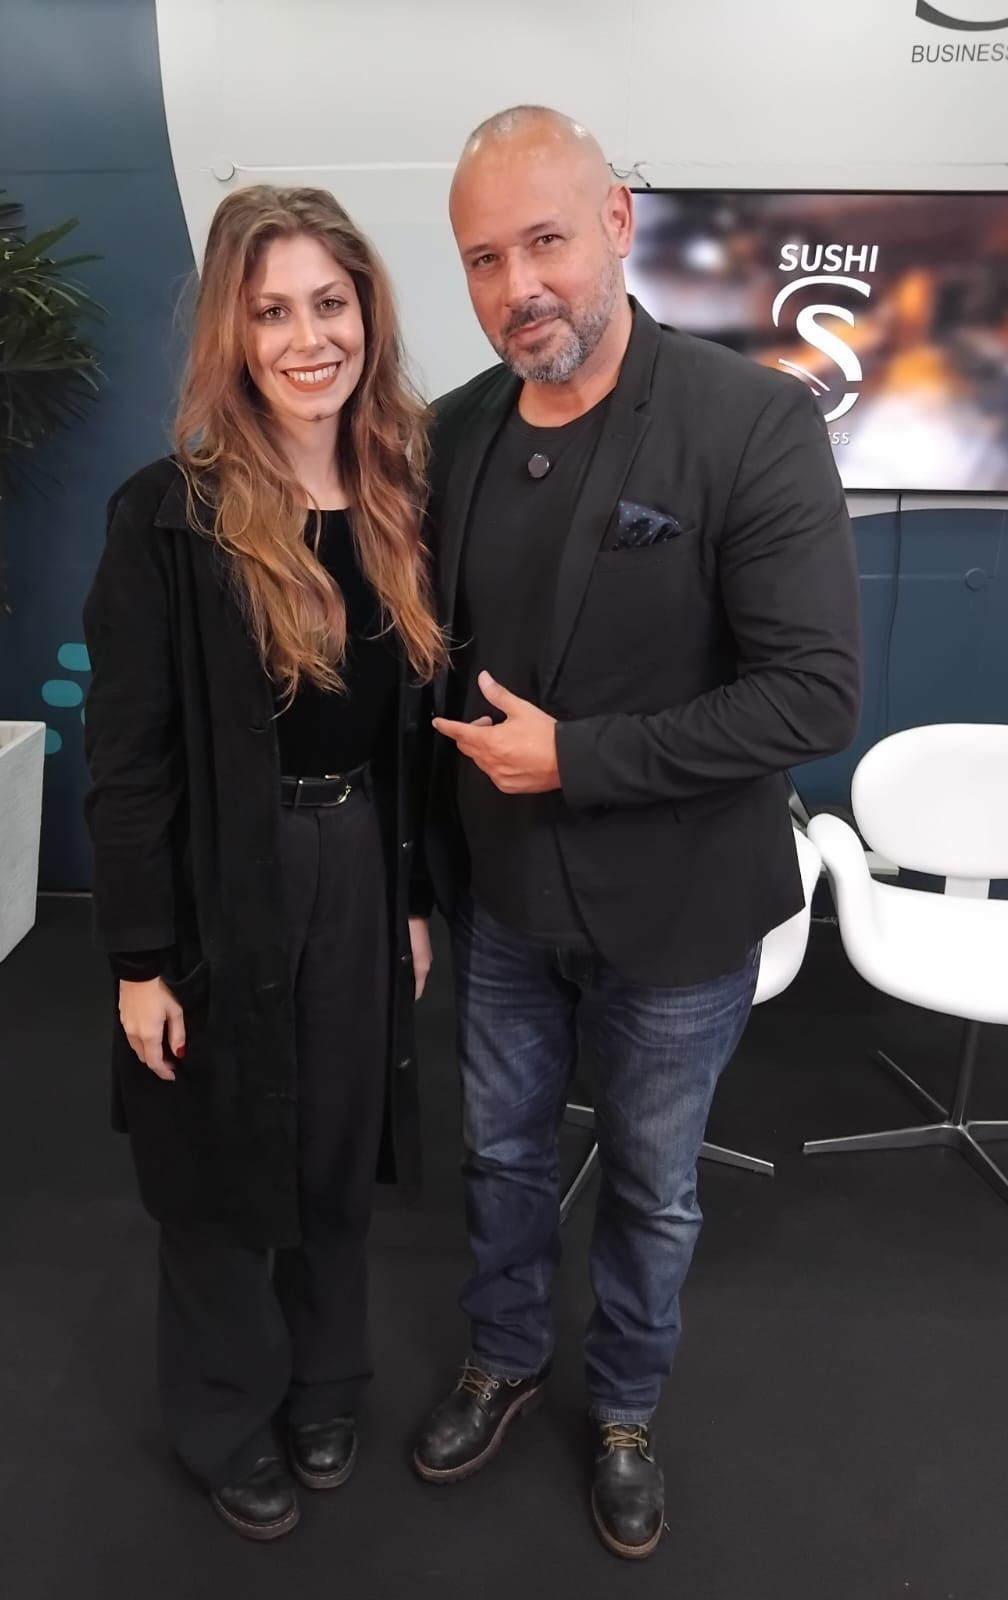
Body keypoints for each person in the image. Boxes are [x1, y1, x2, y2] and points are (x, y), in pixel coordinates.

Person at [411, 107, 862, 1560]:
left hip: (677, 916)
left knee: (656, 1192)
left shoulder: (750, 419)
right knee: (499, 1158)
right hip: (498, 904)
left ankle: (622, 1408)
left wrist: (580, 758)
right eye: (485, 259)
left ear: (616, 222)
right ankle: (502, 1355)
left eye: (543, 241)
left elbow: (814, 695)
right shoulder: (453, 434)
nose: (517, 287)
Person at [83, 185, 444, 1542]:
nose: (307, 339)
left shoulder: (403, 492)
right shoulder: (165, 519)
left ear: (367, 313)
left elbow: (409, 735)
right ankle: (231, 1410)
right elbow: (127, 764)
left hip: (357, 855)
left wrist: (406, 898)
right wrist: (137, 962)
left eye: (330, 305)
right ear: (233, 333)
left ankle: (327, 1380)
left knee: (338, 1139)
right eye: (272, 309)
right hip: (221, 880)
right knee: (222, 1152)